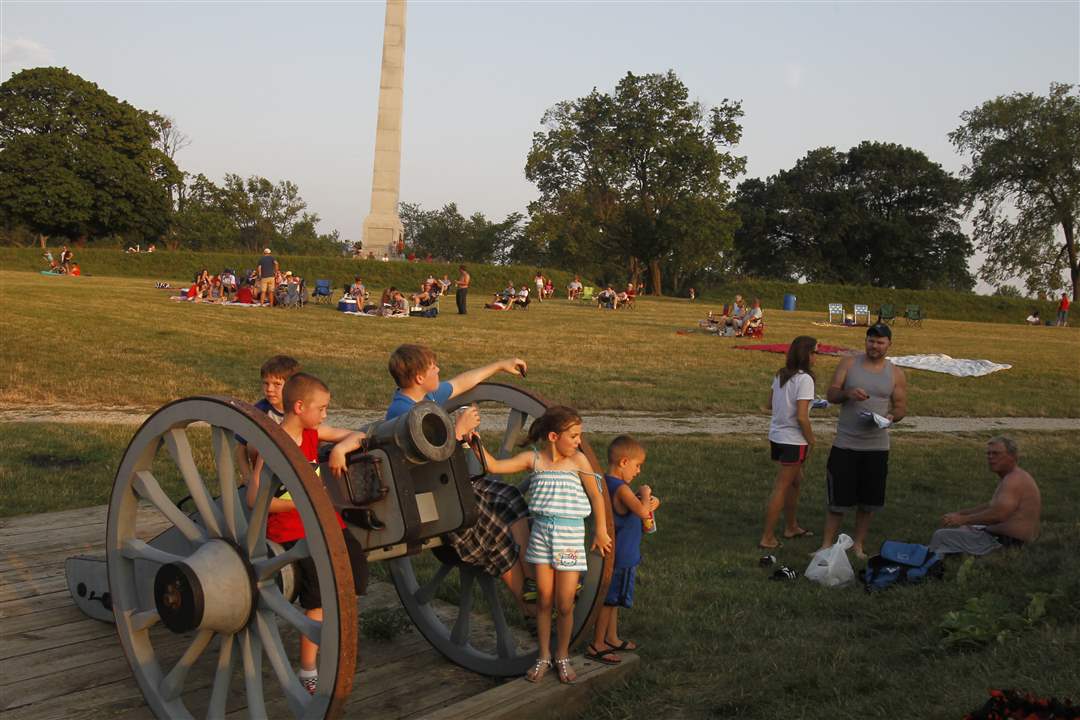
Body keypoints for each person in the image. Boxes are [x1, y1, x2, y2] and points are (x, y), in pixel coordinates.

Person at [245, 373, 368, 695]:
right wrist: (302, 500)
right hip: (291, 530)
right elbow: (255, 500)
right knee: (318, 591)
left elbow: (359, 434)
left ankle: (336, 637)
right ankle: (308, 668)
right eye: (322, 408)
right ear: (300, 407)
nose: (326, 415)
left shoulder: (313, 434)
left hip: (323, 522)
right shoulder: (275, 445)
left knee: (353, 564)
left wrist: (340, 449)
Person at [385, 345, 534, 609]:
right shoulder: (403, 415)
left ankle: (532, 581)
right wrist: (456, 431)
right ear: (419, 378)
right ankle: (530, 609)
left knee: (510, 497)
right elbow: (422, 464)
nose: (439, 370)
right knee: (494, 531)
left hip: (453, 486)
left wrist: (500, 364)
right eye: (434, 367)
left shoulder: (426, 398)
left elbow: (461, 382)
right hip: (431, 498)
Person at [475, 406, 612, 685]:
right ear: (553, 436)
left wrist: (599, 529)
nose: (578, 441)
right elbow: (493, 466)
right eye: (573, 436)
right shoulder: (533, 460)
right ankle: (544, 655)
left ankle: (562, 655)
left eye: (579, 435)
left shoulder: (579, 462)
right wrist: (472, 439)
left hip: (569, 537)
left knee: (564, 604)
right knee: (543, 602)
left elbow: (597, 496)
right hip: (540, 537)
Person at [818, 324, 908, 559]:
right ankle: (826, 546)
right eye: (871, 341)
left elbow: (900, 407)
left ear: (889, 344)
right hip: (845, 443)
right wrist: (847, 394)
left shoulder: (895, 373)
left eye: (880, 342)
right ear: (865, 341)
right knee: (838, 501)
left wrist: (891, 417)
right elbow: (831, 394)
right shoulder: (849, 364)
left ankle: (858, 545)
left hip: (876, 447)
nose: (874, 346)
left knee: (869, 503)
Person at [587, 435, 658, 666]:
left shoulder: (607, 483)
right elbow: (641, 512)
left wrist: (644, 504)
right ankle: (597, 643)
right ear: (624, 462)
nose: (638, 472)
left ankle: (612, 637)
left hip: (619, 555)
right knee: (608, 601)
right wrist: (647, 495)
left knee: (613, 600)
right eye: (638, 466)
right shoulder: (622, 489)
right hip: (620, 557)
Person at [929, 437, 1041, 555]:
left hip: (1007, 543)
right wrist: (961, 514)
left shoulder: (1013, 480)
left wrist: (963, 520)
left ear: (1012, 456)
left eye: (996, 453)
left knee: (941, 535)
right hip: (1003, 538)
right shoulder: (1013, 476)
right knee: (967, 528)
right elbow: (991, 506)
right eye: (989, 453)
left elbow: (999, 515)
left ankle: (934, 563)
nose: (990, 457)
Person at [759, 336, 817, 550]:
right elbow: (802, 417)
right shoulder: (805, 380)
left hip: (777, 436)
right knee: (782, 487)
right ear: (806, 355)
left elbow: (769, 404)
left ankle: (791, 526)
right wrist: (812, 440)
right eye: (814, 352)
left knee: (795, 481)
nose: (816, 357)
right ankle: (767, 537)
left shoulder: (781, 375)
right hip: (794, 440)